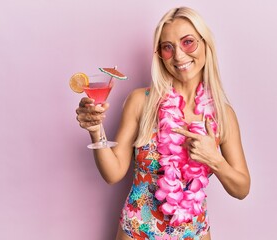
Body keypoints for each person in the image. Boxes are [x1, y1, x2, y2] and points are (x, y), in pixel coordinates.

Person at [75, 6, 250, 240]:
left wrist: (215, 159)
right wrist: (96, 132)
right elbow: (113, 174)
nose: (178, 55)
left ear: (205, 44)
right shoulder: (140, 102)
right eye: (168, 47)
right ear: (160, 55)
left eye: (188, 42)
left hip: (194, 233)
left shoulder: (222, 114)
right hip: (137, 231)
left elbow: (242, 189)